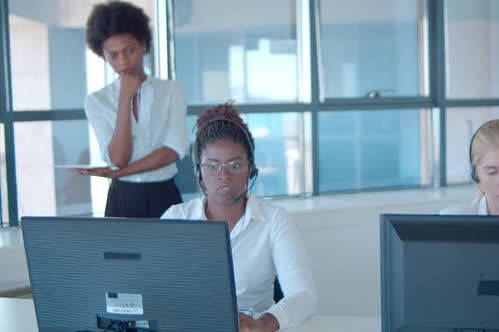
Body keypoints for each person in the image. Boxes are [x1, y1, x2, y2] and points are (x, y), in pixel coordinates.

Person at [161, 103, 318, 332]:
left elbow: (304, 295)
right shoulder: (175, 218)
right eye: (213, 166)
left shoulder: (274, 220)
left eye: (235, 165)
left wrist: (260, 324)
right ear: (199, 173)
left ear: (250, 170)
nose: (224, 175)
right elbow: (151, 287)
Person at [71, 1, 189, 218]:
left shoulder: (173, 90)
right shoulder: (97, 101)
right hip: (122, 197)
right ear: (103, 55)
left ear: (143, 44)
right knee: (121, 253)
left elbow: (172, 151)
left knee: (170, 253)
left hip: (164, 194)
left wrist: (118, 173)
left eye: (130, 50)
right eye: (113, 55)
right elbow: (118, 159)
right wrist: (125, 99)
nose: (123, 61)